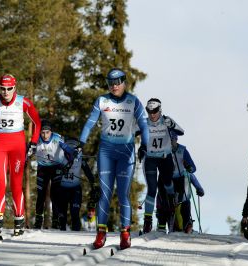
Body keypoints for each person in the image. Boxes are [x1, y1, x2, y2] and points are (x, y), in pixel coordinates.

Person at [79, 68, 149, 250]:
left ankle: (125, 233)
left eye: (117, 83)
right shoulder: (102, 100)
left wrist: (145, 145)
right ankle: (101, 233)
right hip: (106, 152)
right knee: (105, 193)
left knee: (123, 194)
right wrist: (80, 143)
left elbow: (144, 124)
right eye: (111, 83)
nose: (114, 86)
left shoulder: (133, 101)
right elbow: (90, 122)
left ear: (124, 82)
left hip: (126, 152)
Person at [0, 74, 41, 236]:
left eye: (9, 89)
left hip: (17, 146)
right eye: (3, 89)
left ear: (15, 88)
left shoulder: (23, 102)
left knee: (16, 185)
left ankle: (19, 219)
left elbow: (37, 122)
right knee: (0, 184)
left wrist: (33, 143)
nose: (6, 92)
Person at [140, 98, 184, 234]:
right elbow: (129, 134)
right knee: (152, 190)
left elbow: (181, 131)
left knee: (167, 183)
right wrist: (140, 148)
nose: (152, 114)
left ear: (160, 110)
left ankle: (172, 202)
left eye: (154, 111)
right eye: (149, 111)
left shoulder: (166, 120)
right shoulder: (144, 122)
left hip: (166, 158)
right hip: (151, 159)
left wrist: (172, 125)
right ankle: (147, 221)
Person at [156, 133, 202, 233]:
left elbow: (192, 169)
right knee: (163, 199)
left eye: (172, 140)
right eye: (168, 141)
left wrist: (189, 167)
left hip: (180, 178)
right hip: (166, 178)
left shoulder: (182, 150)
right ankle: (163, 224)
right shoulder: (163, 150)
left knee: (183, 199)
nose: (170, 143)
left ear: (176, 140)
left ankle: (185, 224)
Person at [33, 120, 75, 229]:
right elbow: (26, 150)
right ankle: (38, 220)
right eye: (43, 132)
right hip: (42, 167)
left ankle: (55, 220)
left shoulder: (57, 138)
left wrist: (68, 164)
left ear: (51, 132)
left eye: (47, 132)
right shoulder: (36, 139)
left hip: (56, 166)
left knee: (55, 194)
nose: (45, 135)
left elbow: (69, 151)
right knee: (41, 194)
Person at [58, 137, 96, 231]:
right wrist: (59, 170)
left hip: (75, 189)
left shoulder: (80, 158)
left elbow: (88, 172)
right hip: (63, 188)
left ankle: (76, 235)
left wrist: (94, 184)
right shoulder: (60, 157)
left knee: (74, 213)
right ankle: (59, 235)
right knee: (62, 215)